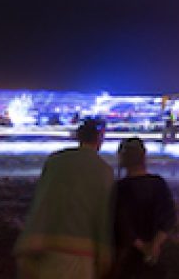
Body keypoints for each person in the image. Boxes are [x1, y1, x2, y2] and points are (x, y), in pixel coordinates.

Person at [15, 118, 114, 279]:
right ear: (100, 138)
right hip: (82, 253)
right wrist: (104, 254)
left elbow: (41, 201)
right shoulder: (104, 170)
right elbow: (102, 215)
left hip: (45, 247)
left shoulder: (55, 161)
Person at [113, 137, 175, 278]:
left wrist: (142, 246)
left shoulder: (120, 188)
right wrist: (155, 245)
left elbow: (122, 223)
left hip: (128, 260)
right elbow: (169, 218)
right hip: (156, 259)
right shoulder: (158, 184)